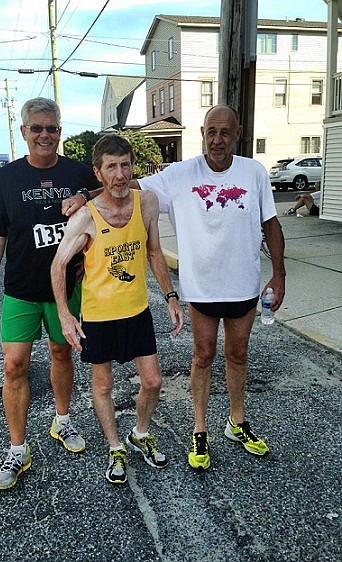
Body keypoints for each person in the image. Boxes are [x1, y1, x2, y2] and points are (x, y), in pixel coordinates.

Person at [63, 105, 286, 471]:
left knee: (239, 355)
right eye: (211, 132)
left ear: (238, 133)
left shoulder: (254, 172)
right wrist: (82, 196)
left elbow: (271, 224)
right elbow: (124, 184)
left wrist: (279, 274)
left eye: (225, 133)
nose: (217, 140)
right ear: (201, 132)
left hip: (244, 283)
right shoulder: (180, 174)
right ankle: (200, 430)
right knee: (202, 356)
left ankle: (236, 421)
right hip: (201, 288)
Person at [0, 97, 100, 490]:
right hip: (21, 290)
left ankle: (62, 421)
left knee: (62, 353)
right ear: (24, 132)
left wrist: (87, 202)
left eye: (52, 128)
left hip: (67, 289)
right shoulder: (6, 179)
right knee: (13, 366)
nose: (45, 134)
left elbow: (114, 201)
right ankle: (17, 449)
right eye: (37, 128)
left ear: (60, 131)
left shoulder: (80, 173)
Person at [51, 134, 184, 485]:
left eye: (125, 165)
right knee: (104, 384)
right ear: (98, 173)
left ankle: (139, 434)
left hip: (137, 310)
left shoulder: (147, 203)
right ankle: (114, 447)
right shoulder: (86, 216)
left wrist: (171, 297)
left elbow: (154, 253)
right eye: (111, 167)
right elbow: (58, 264)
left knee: (153, 381)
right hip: (98, 315)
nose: (120, 174)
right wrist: (66, 315)